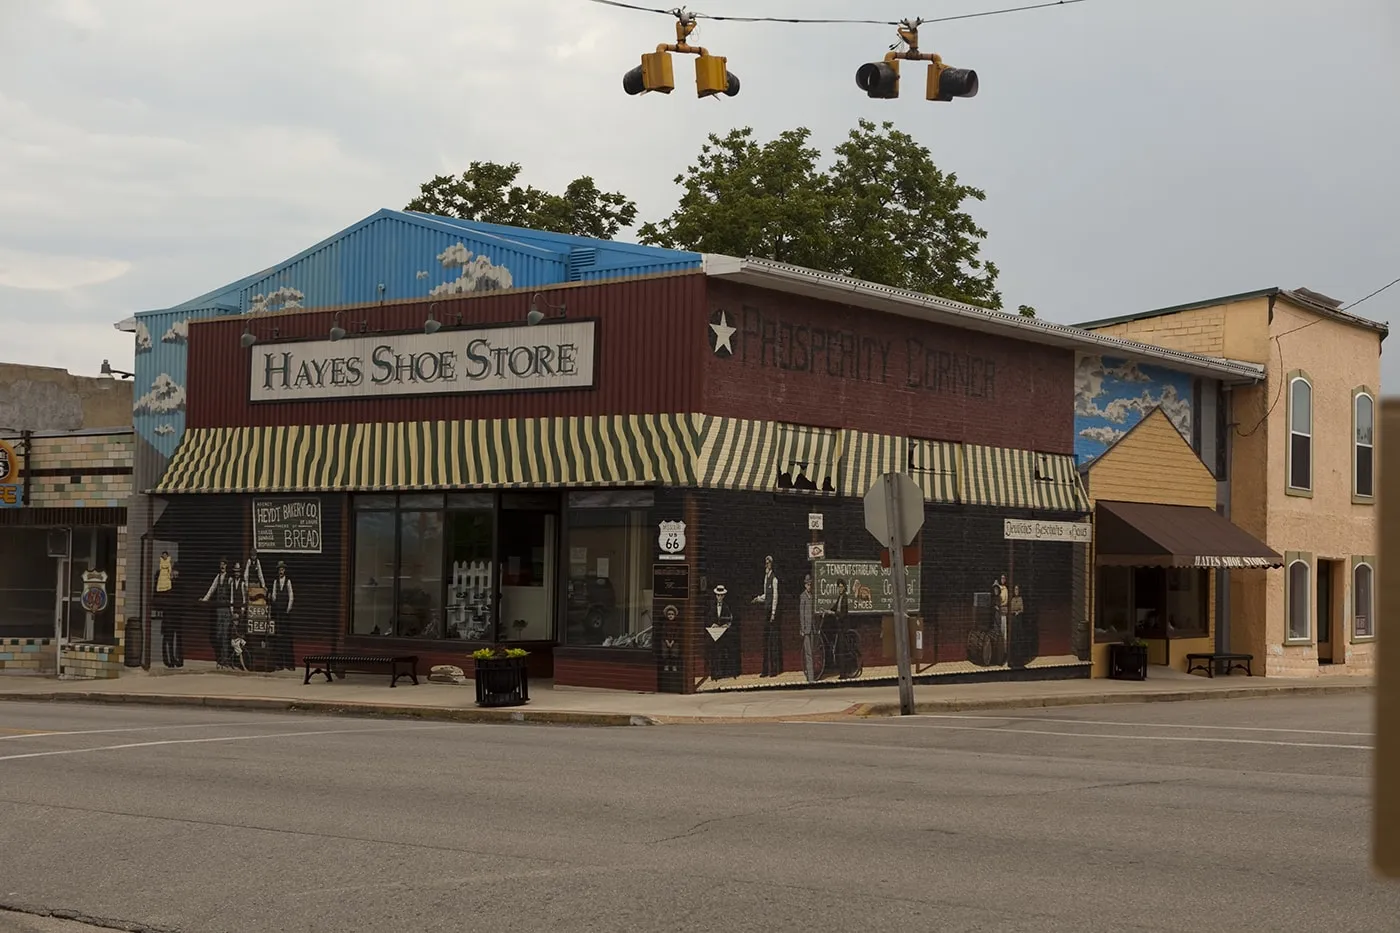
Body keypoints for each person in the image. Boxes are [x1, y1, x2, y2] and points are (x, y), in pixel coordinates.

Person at [200, 558, 236, 668]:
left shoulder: (229, 579)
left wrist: (232, 610)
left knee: (225, 635)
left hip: (226, 609)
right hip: (218, 609)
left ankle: (225, 660)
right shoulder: (218, 577)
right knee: (219, 634)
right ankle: (220, 656)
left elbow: (232, 596)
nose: (222, 566)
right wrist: (205, 599)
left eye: (224, 564)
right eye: (221, 564)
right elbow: (212, 589)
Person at [753, 555, 781, 677]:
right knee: (765, 641)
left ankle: (774, 670)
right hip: (766, 610)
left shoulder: (774, 579)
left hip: (771, 612)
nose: (767, 565)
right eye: (766, 563)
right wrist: (758, 598)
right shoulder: (766, 578)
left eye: (769, 563)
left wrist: (773, 613)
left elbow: (775, 597)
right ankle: (765, 670)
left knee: (773, 642)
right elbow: (766, 595)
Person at [156, 550, 182, 668]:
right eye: (173, 572)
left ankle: (178, 659)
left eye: (177, 573)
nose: (174, 575)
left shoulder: (179, 585)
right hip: (169, 615)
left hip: (177, 615)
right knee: (169, 638)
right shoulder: (166, 584)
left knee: (178, 637)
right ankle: (170, 659)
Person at [271, 561, 296, 671]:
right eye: (279, 569)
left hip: (285, 614)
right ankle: (279, 664)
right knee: (278, 639)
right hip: (278, 614)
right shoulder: (275, 582)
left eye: (282, 569)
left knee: (286, 639)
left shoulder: (288, 581)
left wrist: (288, 609)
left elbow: (291, 596)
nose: (280, 571)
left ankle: (289, 664)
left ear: (284, 570)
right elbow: (273, 596)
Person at [799, 574, 817, 683]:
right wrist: (802, 627)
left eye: (810, 584)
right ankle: (810, 678)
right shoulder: (803, 596)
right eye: (808, 584)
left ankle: (812, 675)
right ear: (805, 585)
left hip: (813, 628)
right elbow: (801, 614)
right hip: (806, 628)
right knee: (808, 653)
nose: (809, 586)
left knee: (813, 652)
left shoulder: (813, 596)